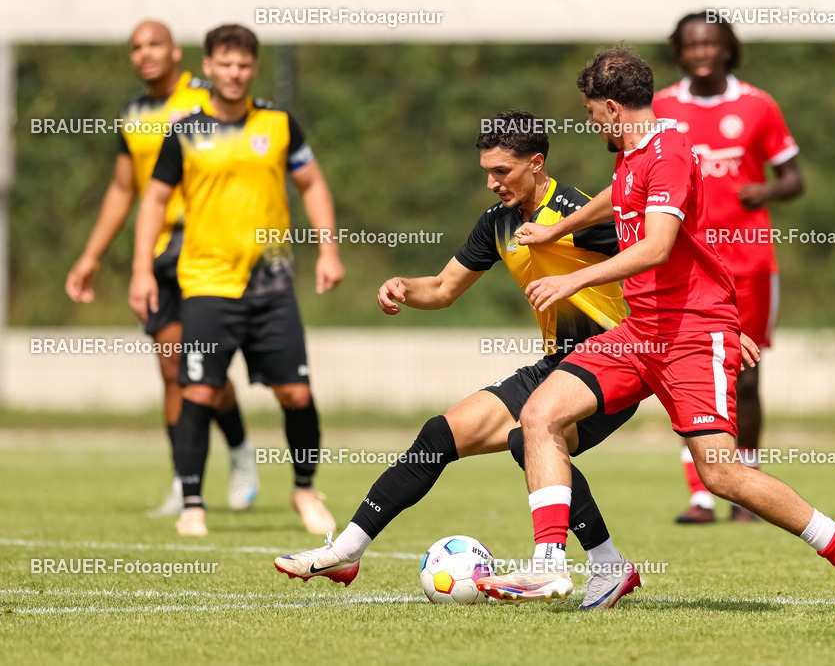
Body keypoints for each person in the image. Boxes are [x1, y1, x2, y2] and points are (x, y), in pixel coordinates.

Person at [476, 47, 835, 616]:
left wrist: (577, 280)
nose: (592, 124)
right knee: (540, 415)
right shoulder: (633, 152)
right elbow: (615, 200)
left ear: (614, 109)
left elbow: (658, 245)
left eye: (593, 114)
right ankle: (549, 565)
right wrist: (559, 230)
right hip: (641, 330)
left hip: (691, 334)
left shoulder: (667, 153)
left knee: (721, 474)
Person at [274, 109, 652, 610]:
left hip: (610, 365)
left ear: (536, 163)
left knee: (531, 437)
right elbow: (445, 287)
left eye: (503, 171)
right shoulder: (497, 224)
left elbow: (661, 251)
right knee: (439, 435)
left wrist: (715, 328)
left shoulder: (577, 214)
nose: (492, 183)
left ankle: (602, 566)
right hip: (554, 365)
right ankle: (346, 550)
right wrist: (404, 287)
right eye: (486, 173)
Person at [129, 24, 343, 537]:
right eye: (224, 64)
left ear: (253, 68)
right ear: (207, 67)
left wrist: (328, 250)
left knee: (295, 393)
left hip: (270, 283)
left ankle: (305, 490)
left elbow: (311, 184)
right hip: (205, 282)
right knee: (198, 391)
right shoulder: (183, 130)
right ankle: (193, 504)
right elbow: (155, 200)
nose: (234, 73)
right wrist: (141, 269)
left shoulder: (279, 122)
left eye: (243, 64)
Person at [65, 20, 255, 517]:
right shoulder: (132, 112)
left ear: (176, 51)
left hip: (210, 252)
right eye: (135, 47)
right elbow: (124, 190)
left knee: (201, 367)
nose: (144, 53)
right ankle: (184, 481)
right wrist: (91, 256)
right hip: (158, 255)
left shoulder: (203, 99)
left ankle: (239, 453)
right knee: (174, 367)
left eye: (154, 44)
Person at [653, 12, 805, 524]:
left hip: (749, 261)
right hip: (686, 266)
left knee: (746, 377)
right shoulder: (662, 108)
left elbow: (793, 178)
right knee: (684, 373)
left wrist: (766, 189)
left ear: (727, 49)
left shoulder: (758, 106)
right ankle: (700, 495)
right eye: (692, 45)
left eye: (711, 44)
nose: (702, 53)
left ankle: (749, 490)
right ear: (680, 51)